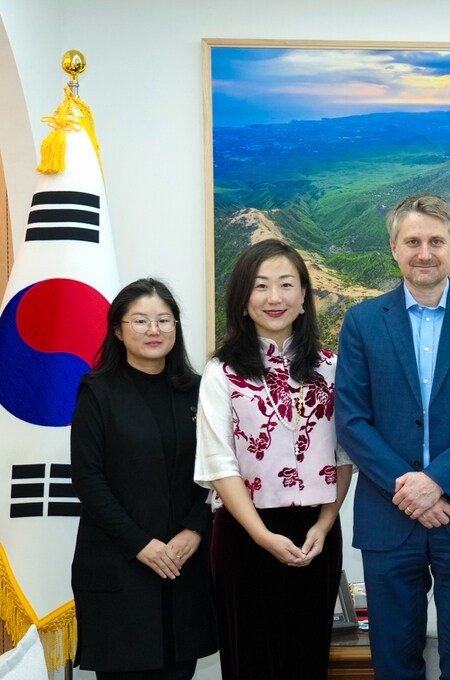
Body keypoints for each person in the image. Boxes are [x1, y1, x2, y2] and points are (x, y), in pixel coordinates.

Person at [336, 194, 450, 680]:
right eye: (412, 241)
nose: (425, 252)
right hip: (388, 515)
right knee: (393, 664)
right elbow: (351, 420)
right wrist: (409, 487)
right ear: (394, 248)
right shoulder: (361, 322)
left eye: (436, 241)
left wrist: (434, 481)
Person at [194, 240, 351, 679]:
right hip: (246, 535)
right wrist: (262, 535)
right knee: (252, 662)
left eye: (287, 284)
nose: (274, 297)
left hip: (315, 535)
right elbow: (219, 464)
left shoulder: (332, 368)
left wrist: (323, 525)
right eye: (261, 286)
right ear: (243, 300)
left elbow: (343, 458)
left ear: (304, 297)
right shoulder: (220, 372)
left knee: (307, 659)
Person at [70, 278, 217, 680]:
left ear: (176, 327)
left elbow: (218, 472)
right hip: (121, 566)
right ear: (118, 330)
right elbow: (88, 481)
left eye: (163, 320)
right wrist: (141, 544)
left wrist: (195, 530)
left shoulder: (199, 392)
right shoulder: (97, 392)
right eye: (140, 321)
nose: (154, 330)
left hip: (183, 566)